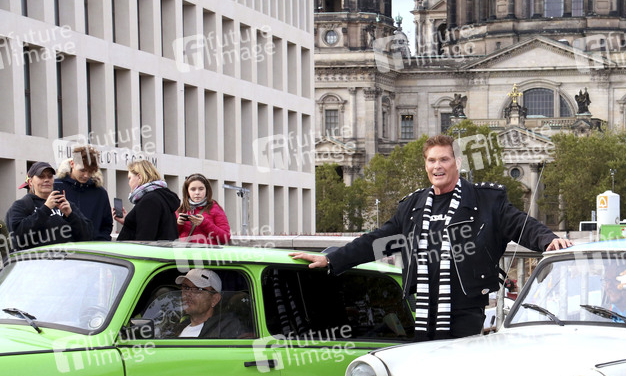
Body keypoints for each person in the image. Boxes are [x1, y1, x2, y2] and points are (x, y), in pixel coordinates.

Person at [290, 134, 572, 340]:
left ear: (457, 163)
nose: (438, 166)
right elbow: (376, 242)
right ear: (425, 165)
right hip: (422, 306)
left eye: (444, 159)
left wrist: (548, 240)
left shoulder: (486, 200)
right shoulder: (412, 206)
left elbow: (521, 224)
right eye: (432, 160)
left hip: (465, 308)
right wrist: (331, 259)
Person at [6, 161, 92, 251]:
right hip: (37, 259)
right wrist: (45, 209)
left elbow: (87, 237)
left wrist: (71, 215)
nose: (46, 180)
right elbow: (18, 237)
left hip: (68, 258)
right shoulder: (21, 205)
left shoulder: (66, 204)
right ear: (31, 182)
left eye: (50, 176)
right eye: (41, 176)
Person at [55, 145, 113, 241]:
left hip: (91, 248)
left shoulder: (100, 192)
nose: (86, 175)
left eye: (90, 171)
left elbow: (106, 225)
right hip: (62, 247)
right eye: (82, 170)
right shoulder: (56, 187)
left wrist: (100, 242)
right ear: (72, 164)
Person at [114, 160, 179, 241]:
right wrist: (128, 221)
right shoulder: (160, 196)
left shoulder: (149, 200)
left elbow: (145, 237)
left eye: (130, 178)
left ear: (139, 177)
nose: (128, 183)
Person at [174, 269, 244, 338]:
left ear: (215, 299)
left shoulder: (227, 330)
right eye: (186, 288)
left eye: (198, 289)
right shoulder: (177, 327)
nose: (188, 293)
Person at [177, 173, 231, 244]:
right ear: (187, 191)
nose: (197, 193)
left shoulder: (215, 208)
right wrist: (178, 224)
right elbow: (170, 235)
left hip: (207, 250)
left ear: (206, 190)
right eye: (193, 189)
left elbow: (225, 237)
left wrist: (204, 223)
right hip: (185, 250)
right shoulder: (182, 210)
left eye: (201, 189)